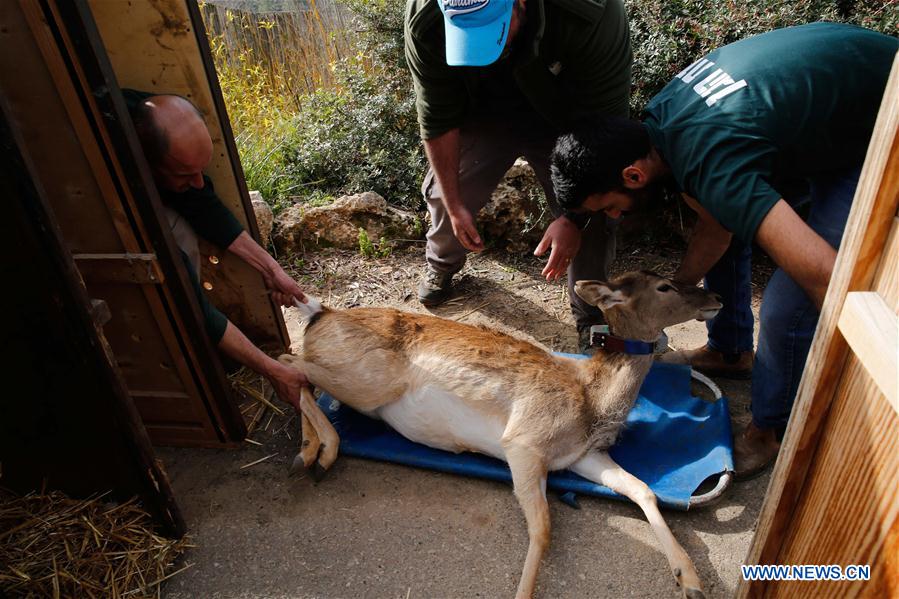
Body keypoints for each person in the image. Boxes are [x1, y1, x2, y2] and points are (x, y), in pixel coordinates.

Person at [549, 23, 898, 478]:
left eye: (610, 207)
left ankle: (770, 430)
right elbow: (717, 225)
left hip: (881, 123)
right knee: (734, 220)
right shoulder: (662, 118)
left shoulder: (712, 163)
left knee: (788, 308)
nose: (614, 218)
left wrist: (853, 363)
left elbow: (826, 276)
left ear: (633, 176)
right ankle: (731, 351)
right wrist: (678, 290)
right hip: (844, 109)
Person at [404, 0, 632, 350]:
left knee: (597, 205)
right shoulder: (425, 18)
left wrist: (573, 216)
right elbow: (437, 118)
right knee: (448, 193)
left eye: (491, 29)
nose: (487, 50)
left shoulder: (591, 13)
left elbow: (605, 128)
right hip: (484, 112)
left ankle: (591, 313)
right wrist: (453, 204)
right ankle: (442, 264)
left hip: (568, 121)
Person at [124, 90, 308, 411]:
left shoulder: (154, 119)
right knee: (173, 263)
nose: (198, 183)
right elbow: (183, 288)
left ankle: (201, 336)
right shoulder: (118, 160)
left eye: (201, 171)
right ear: (146, 163)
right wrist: (272, 370)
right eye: (185, 175)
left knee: (183, 225)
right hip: (111, 213)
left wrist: (272, 270)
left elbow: (204, 207)